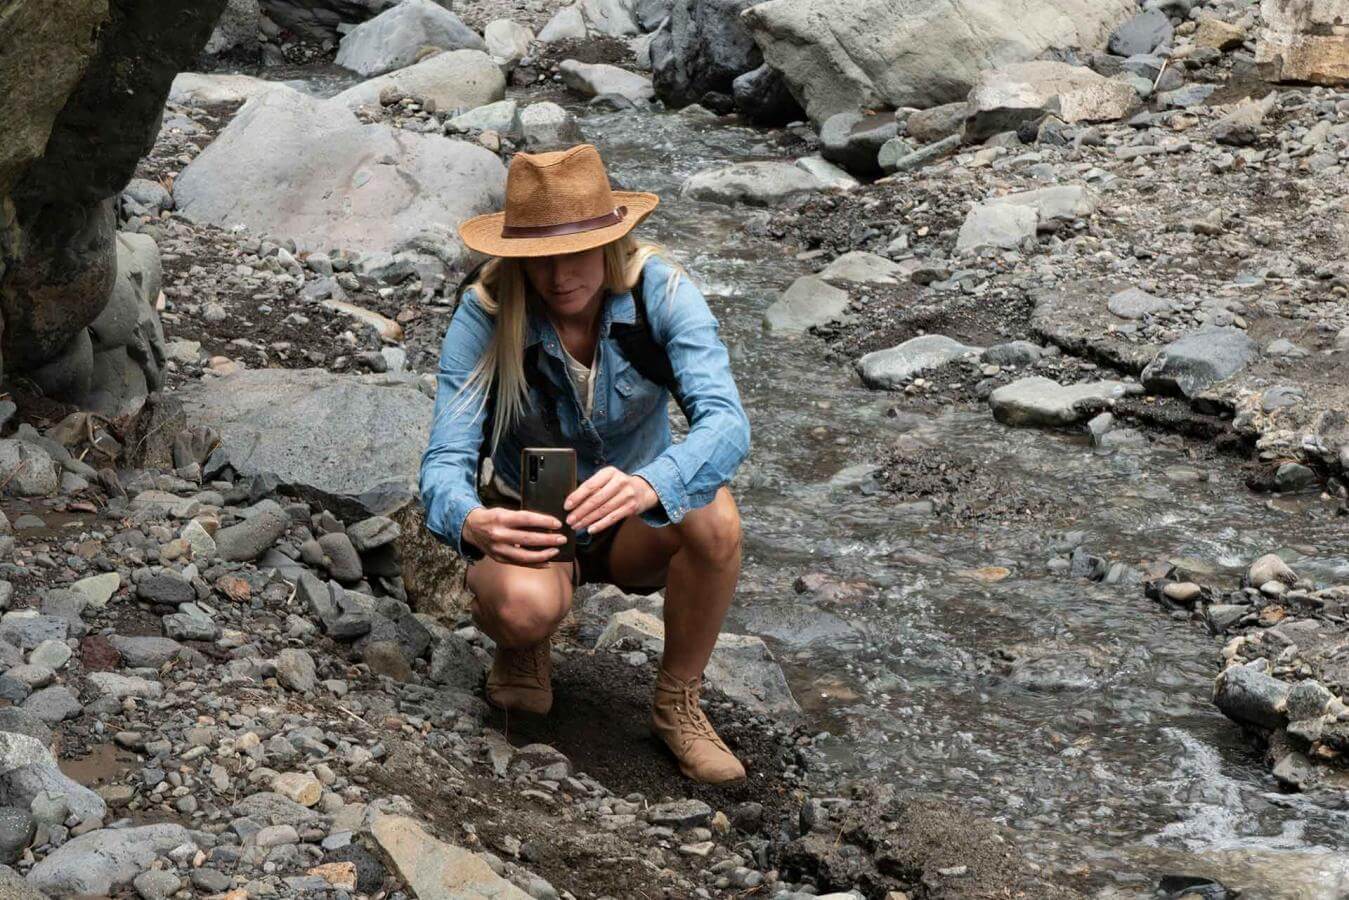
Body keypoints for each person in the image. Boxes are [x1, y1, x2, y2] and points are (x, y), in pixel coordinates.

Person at [419, 143, 752, 784]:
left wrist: (651, 484)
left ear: (610, 242)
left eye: (575, 253)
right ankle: (524, 646)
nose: (559, 276)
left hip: (638, 521)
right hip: (531, 522)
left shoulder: (663, 292)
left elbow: (727, 423)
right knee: (520, 607)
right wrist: (471, 522)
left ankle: (676, 704)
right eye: (539, 259)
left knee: (716, 516)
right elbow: (444, 459)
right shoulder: (485, 312)